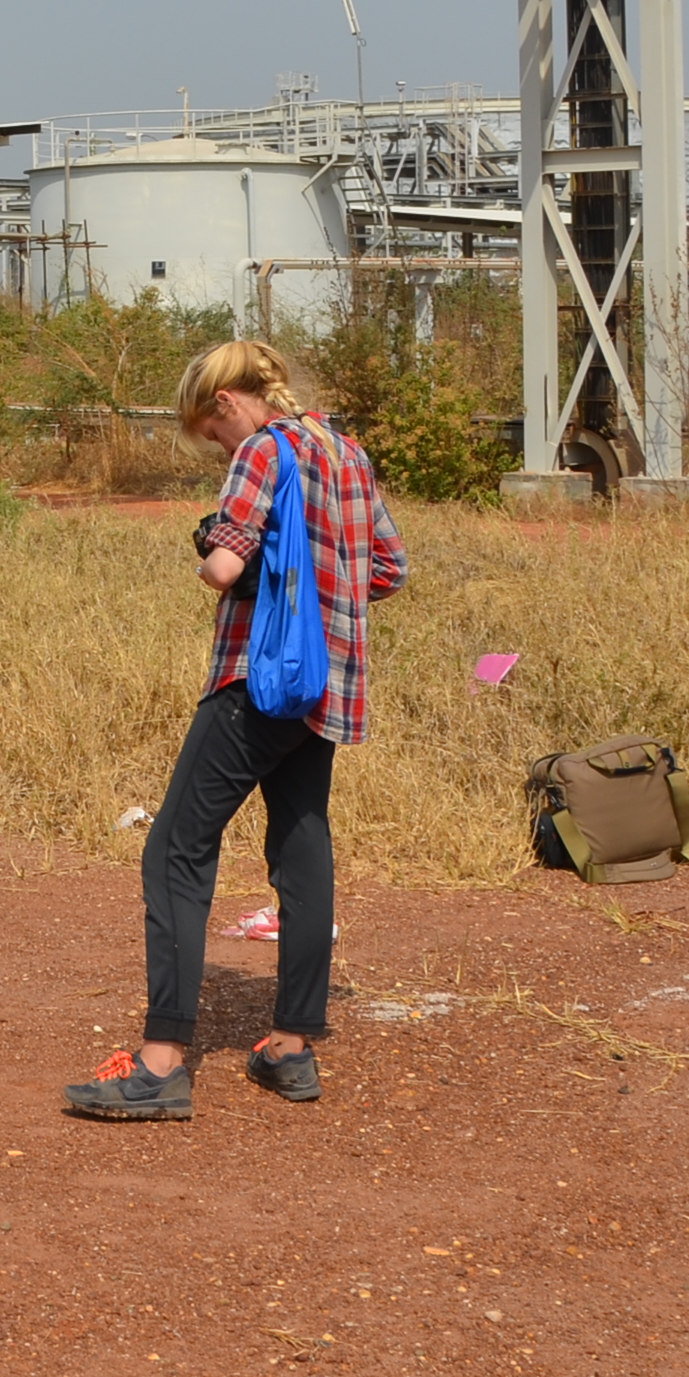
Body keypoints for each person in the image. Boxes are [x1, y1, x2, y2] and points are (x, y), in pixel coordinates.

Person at [64, 338, 408, 1121]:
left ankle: (158, 1064)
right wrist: (322, 591)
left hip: (259, 679)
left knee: (176, 848)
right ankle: (291, 1047)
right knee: (300, 844)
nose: (216, 446)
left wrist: (220, 548)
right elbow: (389, 568)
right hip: (327, 682)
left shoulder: (262, 448)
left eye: (208, 432)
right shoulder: (344, 449)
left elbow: (223, 568)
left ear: (226, 403)